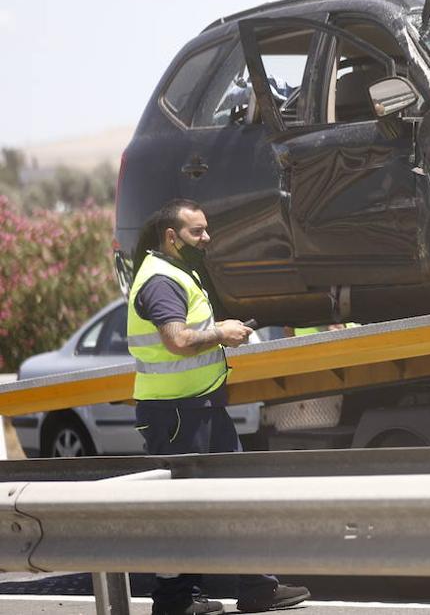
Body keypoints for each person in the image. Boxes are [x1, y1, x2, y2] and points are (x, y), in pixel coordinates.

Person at [128, 198, 310, 615]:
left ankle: (257, 587)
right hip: (175, 415)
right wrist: (221, 333)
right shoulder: (160, 279)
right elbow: (176, 340)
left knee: (238, 495)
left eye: (207, 229)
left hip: (202, 408)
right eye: (198, 232)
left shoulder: (178, 271)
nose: (207, 238)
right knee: (181, 510)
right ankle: (176, 600)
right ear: (171, 237)